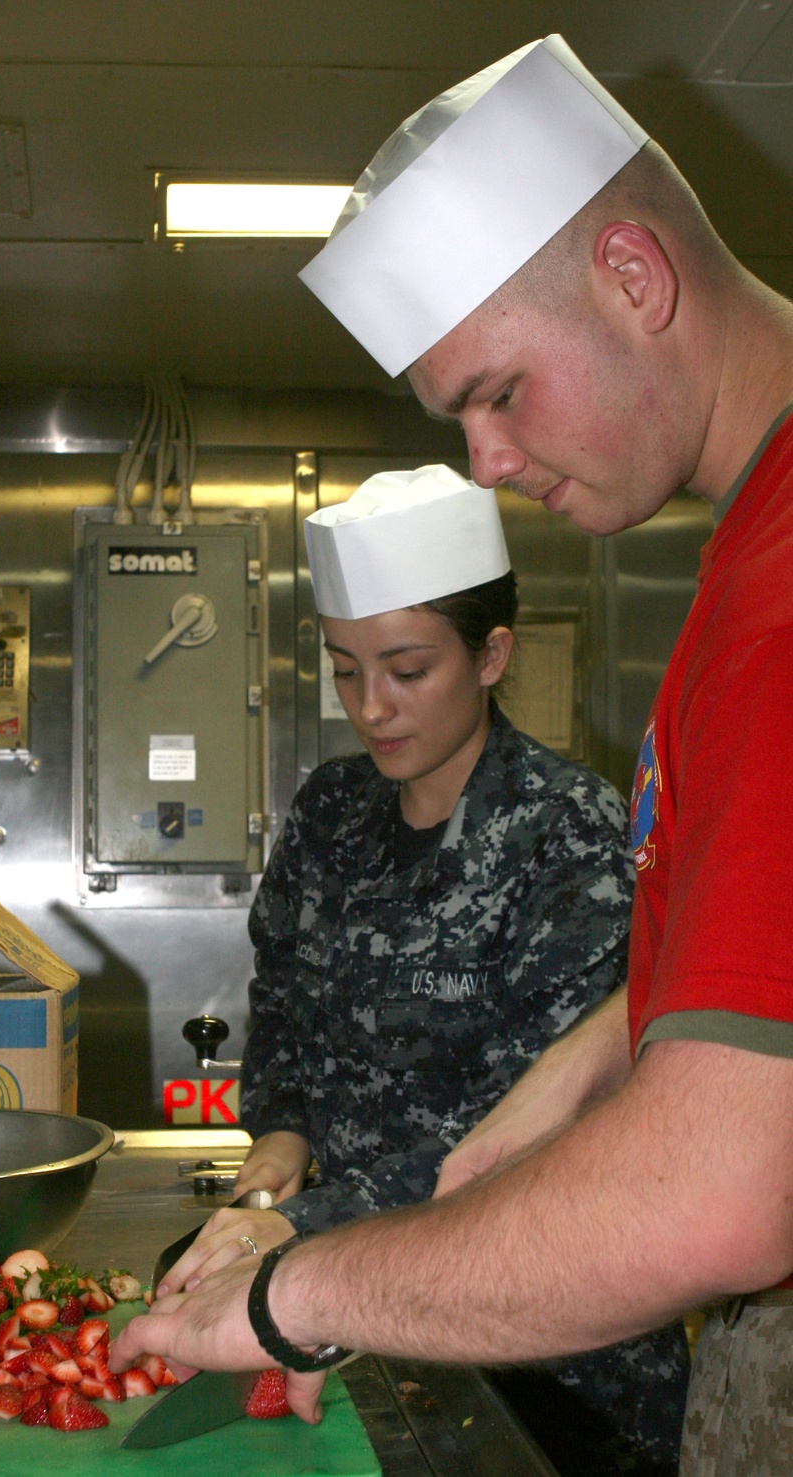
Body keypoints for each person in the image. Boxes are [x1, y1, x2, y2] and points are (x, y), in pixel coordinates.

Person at [110, 34, 793, 1477]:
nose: (487, 464)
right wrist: (598, 1060)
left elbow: (714, 1196)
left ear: (632, 274)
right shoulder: (745, 571)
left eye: (499, 392)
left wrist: (298, 1291)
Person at [158, 462, 689, 1472]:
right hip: (351, 1315)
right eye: (344, 668)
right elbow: (286, 1016)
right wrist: (277, 1147)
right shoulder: (328, 816)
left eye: (407, 669)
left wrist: (294, 1233)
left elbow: (519, 1137)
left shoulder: (564, 838)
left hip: (550, 1362)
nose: (372, 705)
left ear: (491, 654)